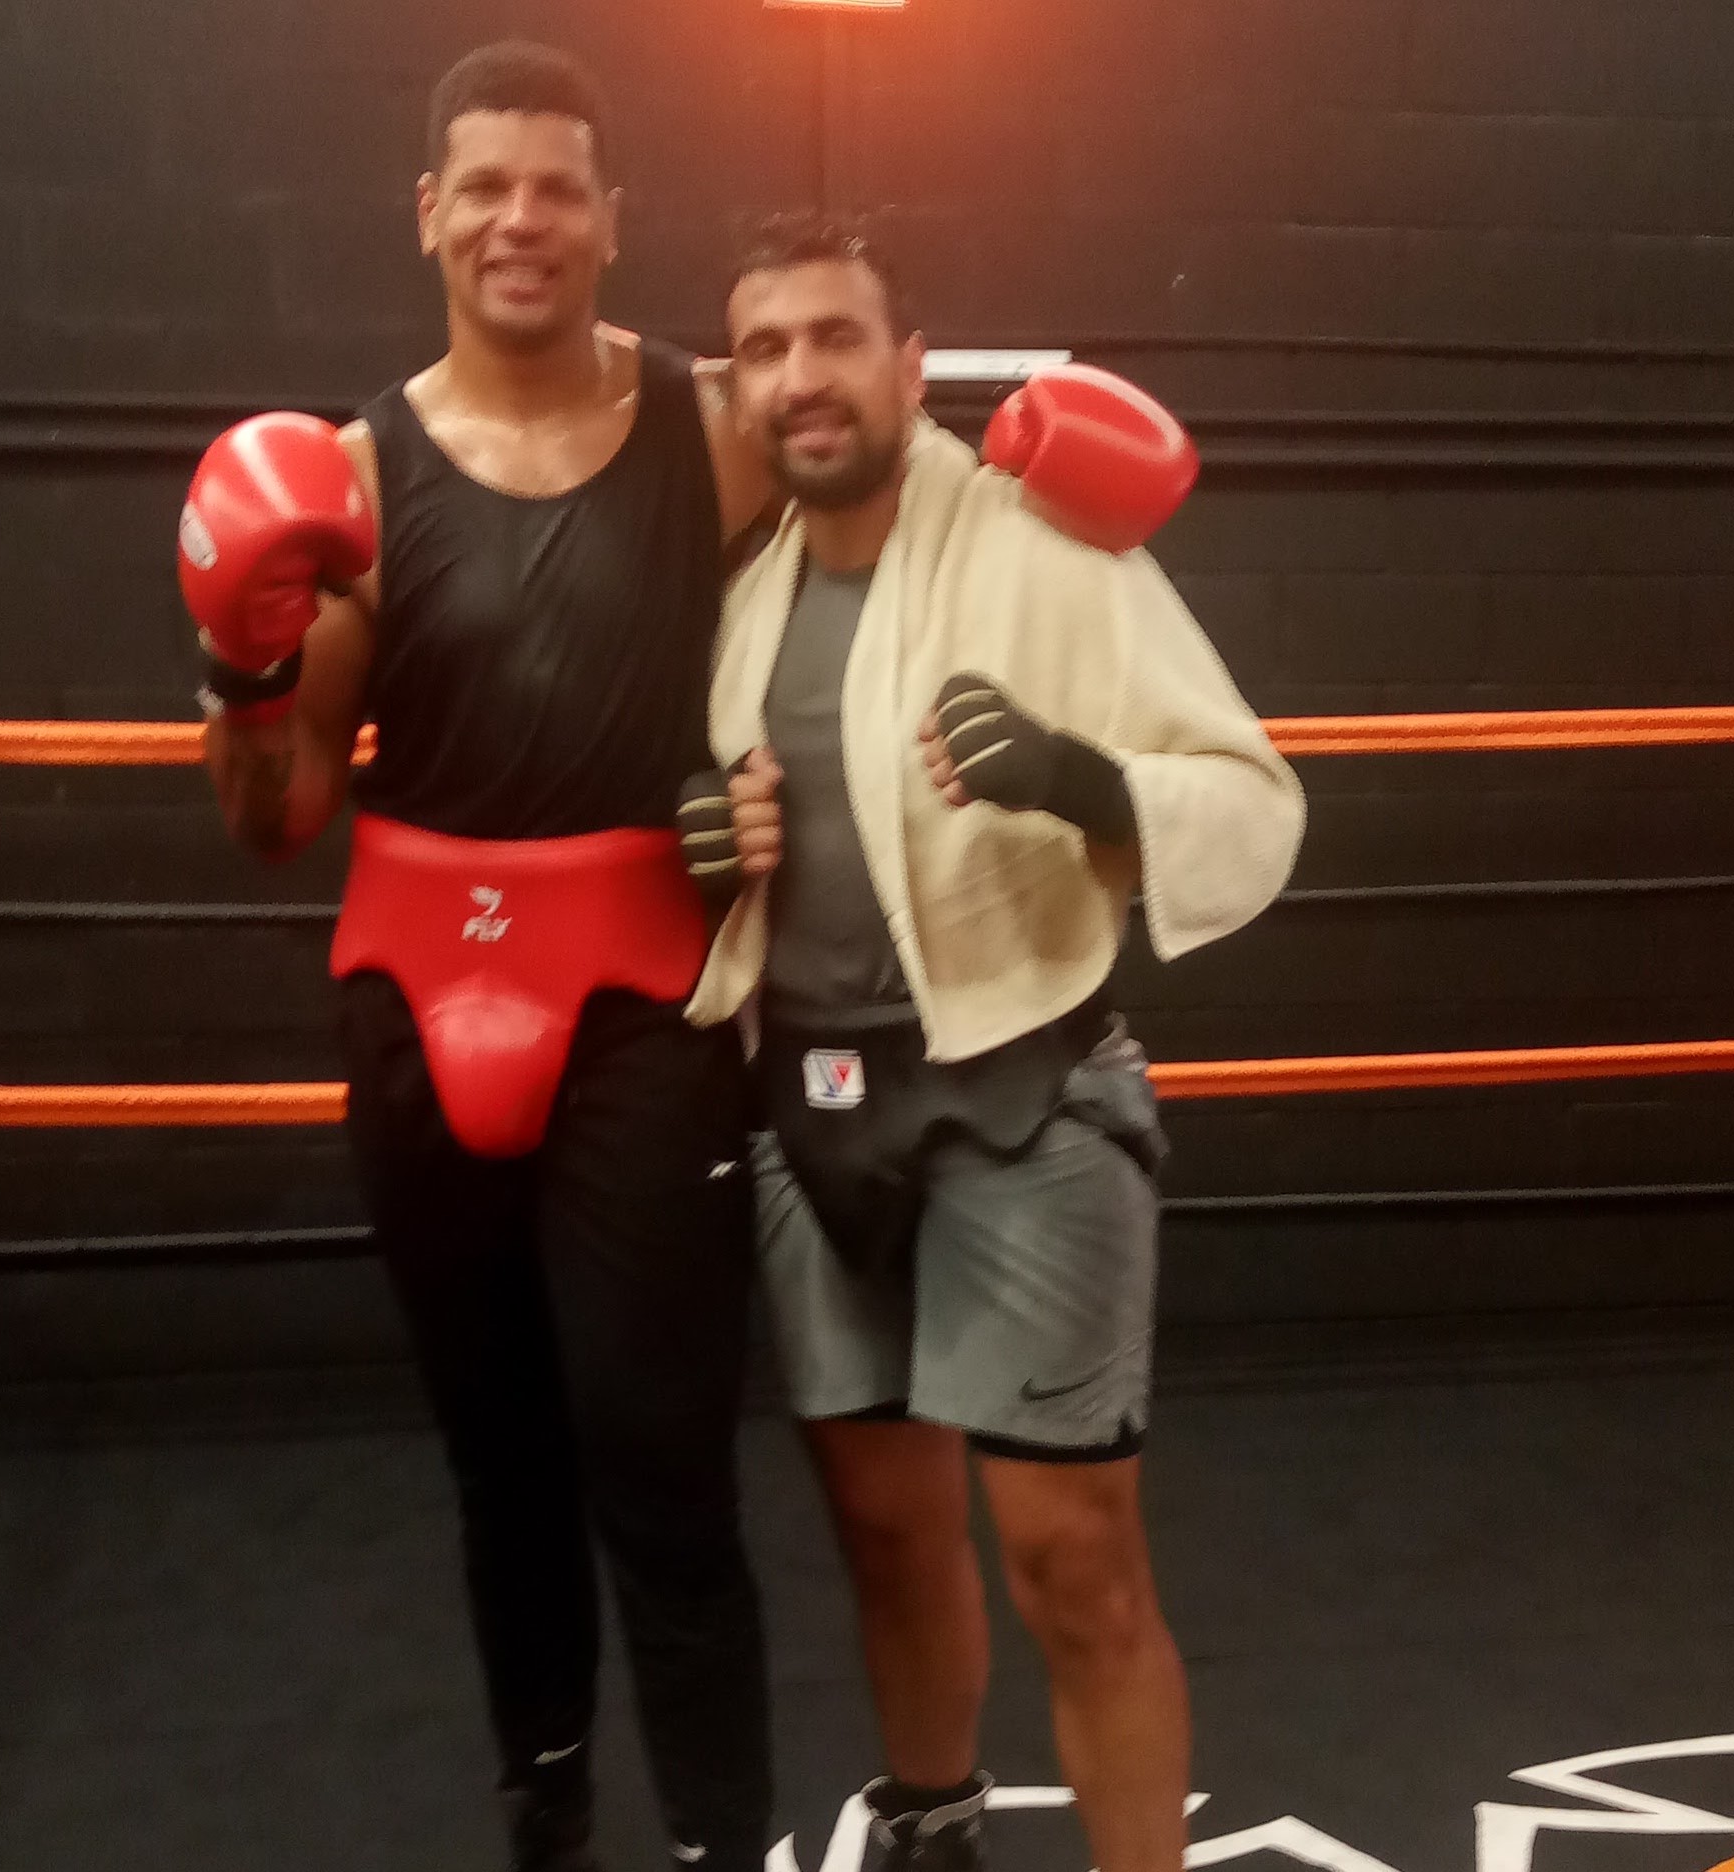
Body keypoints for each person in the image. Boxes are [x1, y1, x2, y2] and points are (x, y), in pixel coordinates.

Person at [178, 41, 783, 1872]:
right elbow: (273, 816)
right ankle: (548, 1798)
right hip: (415, 997)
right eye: (489, 186)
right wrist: (239, 660)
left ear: (611, 219)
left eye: (562, 187)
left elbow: (865, 603)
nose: (526, 218)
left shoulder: (713, 426)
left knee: (659, 1450)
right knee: (498, 1448)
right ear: (430, 213)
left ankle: (719, 1841)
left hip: (645, 1001)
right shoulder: (355, 469)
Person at [678, 218, 1307, 1872]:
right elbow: (740, 843)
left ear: (907, 366)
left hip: (1020, 1096)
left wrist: (1091, 783)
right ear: (738, 389)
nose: (801, 377)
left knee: (1072, 1559)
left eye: (833, 339)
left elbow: (1251, 791)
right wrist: (701, 840)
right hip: (811, 1110)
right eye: (765, 349)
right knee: (888, 1533)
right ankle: (936, 1824)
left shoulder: (1045, 545)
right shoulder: (738, 586)